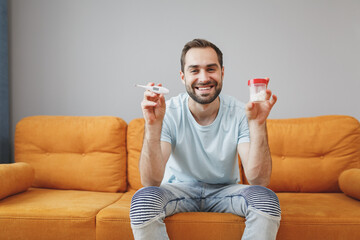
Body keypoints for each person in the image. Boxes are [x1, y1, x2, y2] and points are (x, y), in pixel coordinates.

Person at [130, 39, 281, 240]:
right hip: (178, 190)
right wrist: (152, 125)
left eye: (211, 69)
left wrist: (259, 124)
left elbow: (259, 180)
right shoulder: (169, 112)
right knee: (143, 200)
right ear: (183, 77)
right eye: (194, 70)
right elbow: (150, 181)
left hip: (225, 191)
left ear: (222, 73)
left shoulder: (240, 112)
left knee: (266, 199)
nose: (204, 78)